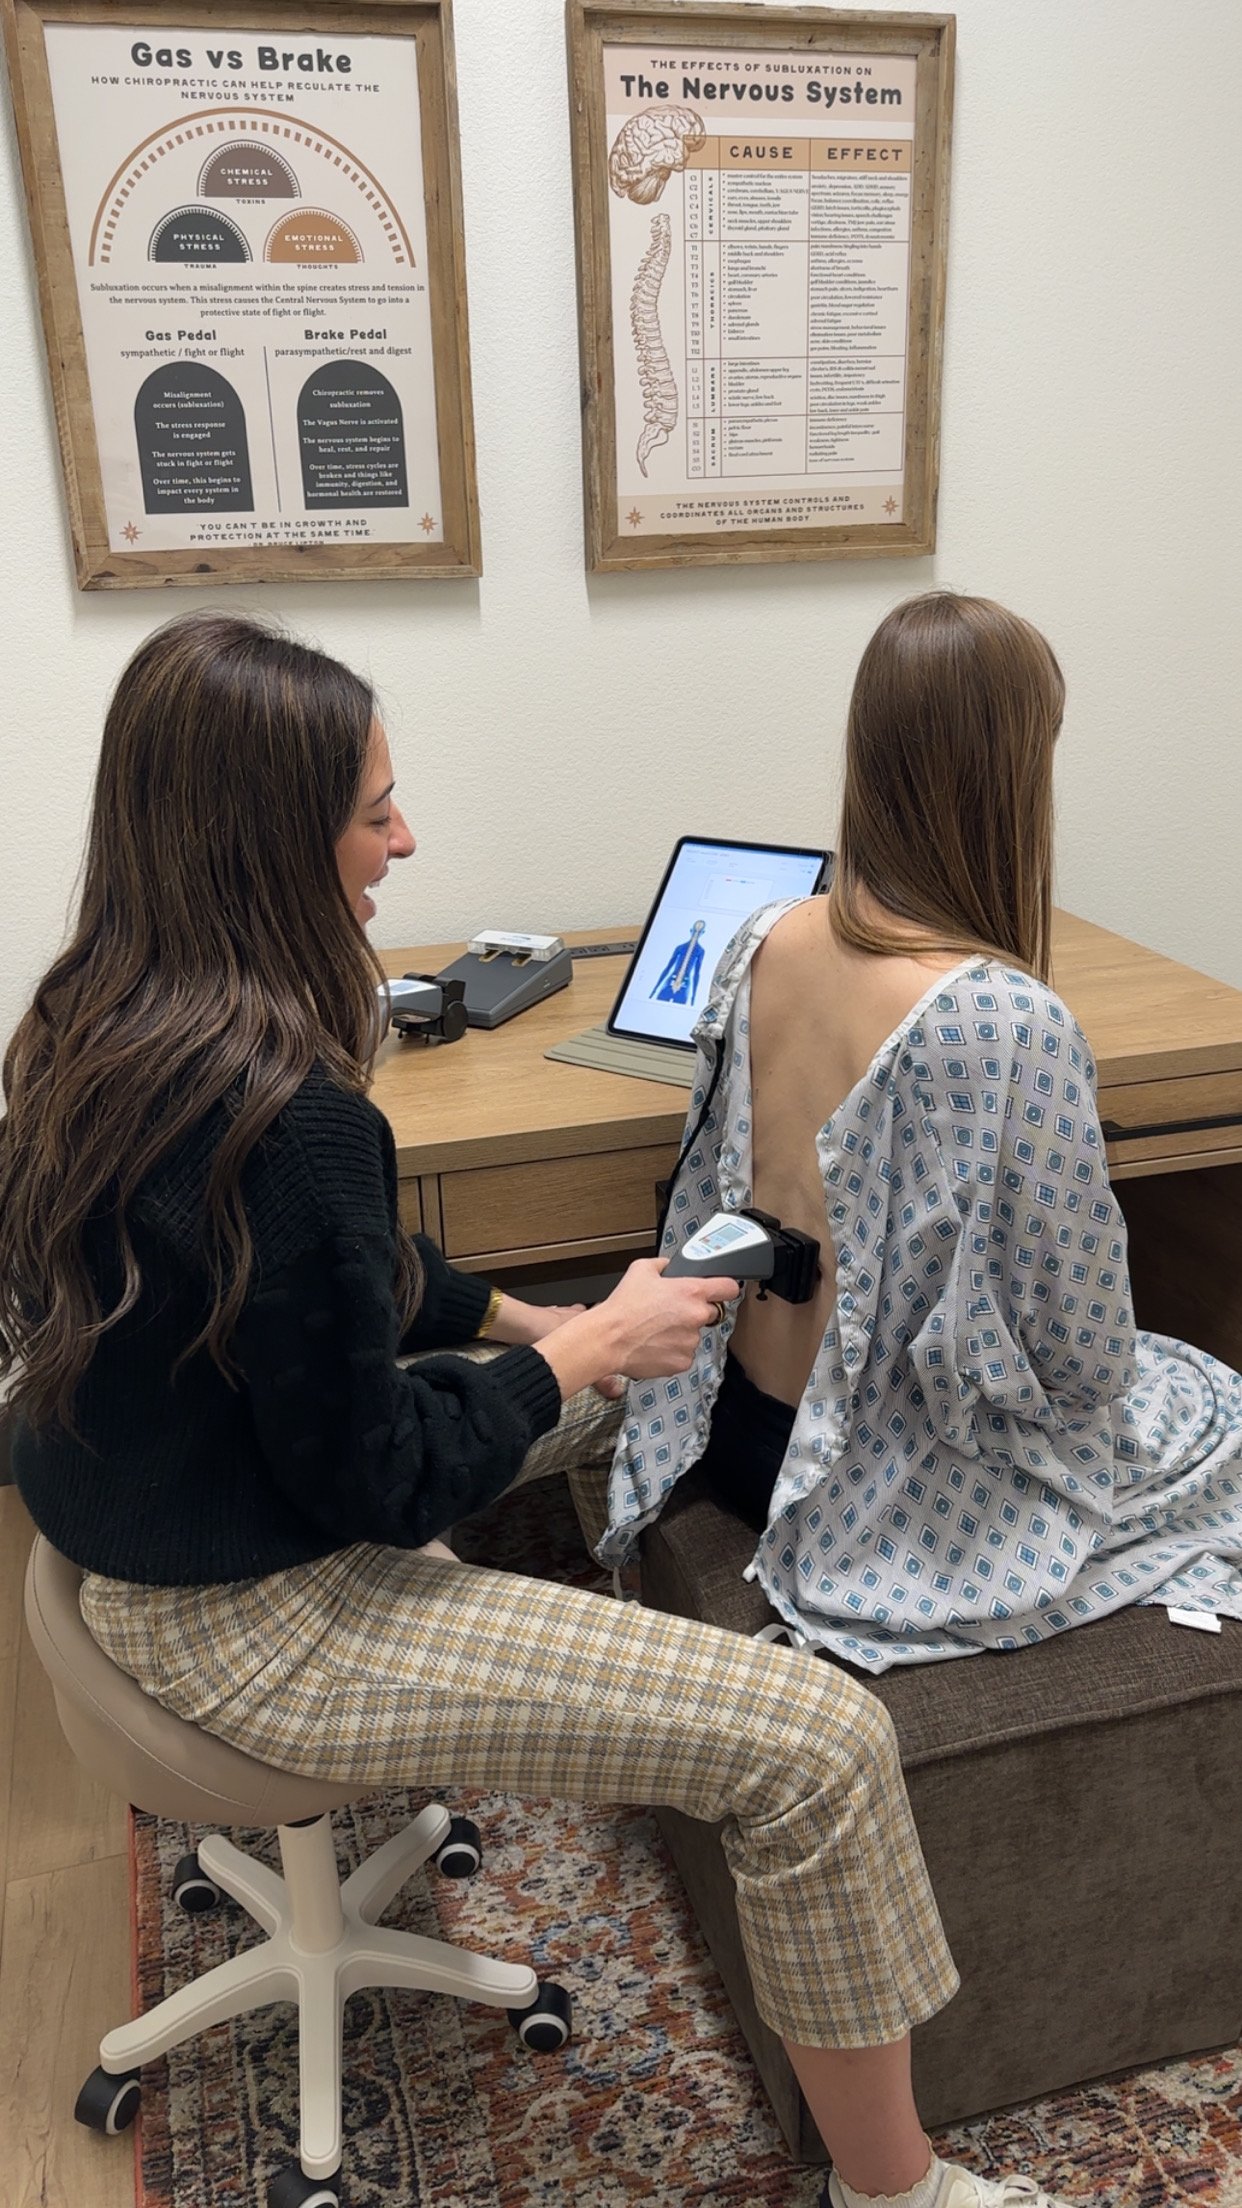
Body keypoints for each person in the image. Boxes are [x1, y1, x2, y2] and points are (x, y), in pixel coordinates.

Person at [0, 609, 1075, 2208]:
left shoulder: (97, 1015)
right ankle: (895, 2189)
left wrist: (530, 1324)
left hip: (139, 1523)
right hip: (254, 1607)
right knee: (822, 1748)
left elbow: (310, 1294)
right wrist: (574, 1361)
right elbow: (370, 1472)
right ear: (264, 838)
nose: (405, 838)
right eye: (374, 811)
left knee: (624, 1377)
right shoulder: (286, 1113)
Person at [604, 590, 1242, 1676]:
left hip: (739, 1435)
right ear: (1009, 775)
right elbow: (1083, 1359)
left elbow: (707, 1190)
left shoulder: (766, 937)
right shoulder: (1007, 1019)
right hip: (872, 1494)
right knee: (1214, 1400)